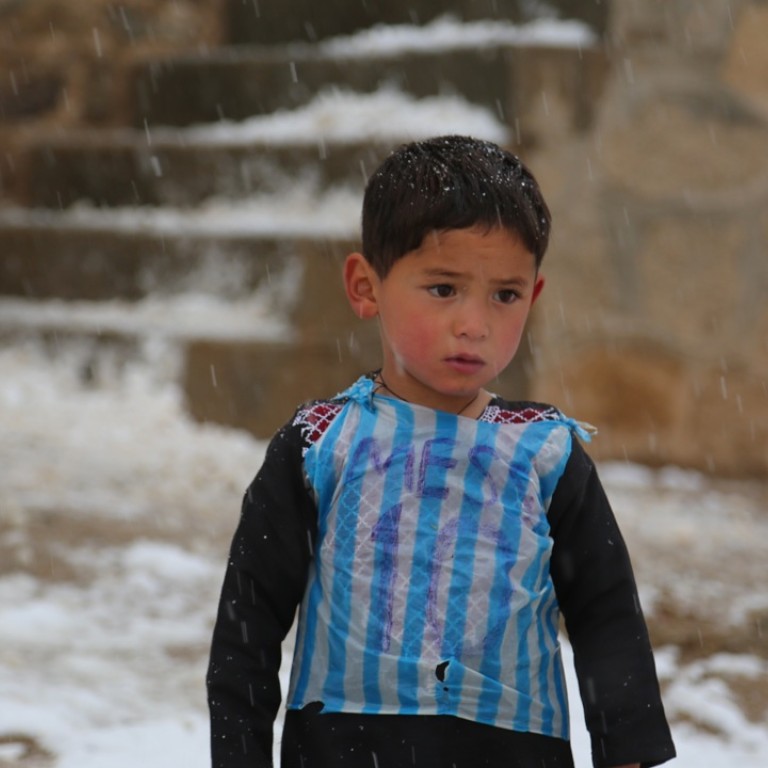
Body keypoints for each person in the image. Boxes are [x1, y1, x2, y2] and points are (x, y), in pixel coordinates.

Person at [207, 135, 676, 768]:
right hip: (342, 748)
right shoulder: (321, 444)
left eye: (505, 295)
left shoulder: (544, 455)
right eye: (444, 288)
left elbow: (607, 618)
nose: (474, 325)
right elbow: (248, 628)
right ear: (366, 286)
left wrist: (627, 754)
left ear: (533, 297)